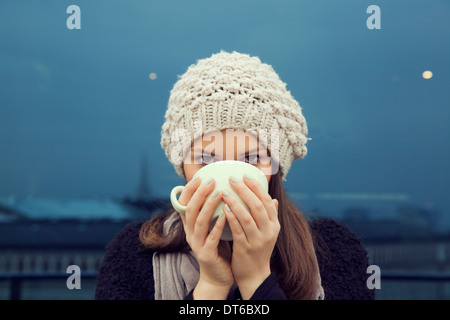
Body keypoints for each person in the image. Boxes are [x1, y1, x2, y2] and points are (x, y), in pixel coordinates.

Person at [95, 51, 374, 300]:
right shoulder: (134, 255)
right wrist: (212, 287)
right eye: (205, 159)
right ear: (184, 167)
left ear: (276, 166)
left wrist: (256, 280)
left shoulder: (334, 253)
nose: (229, 181)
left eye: (251, 159)